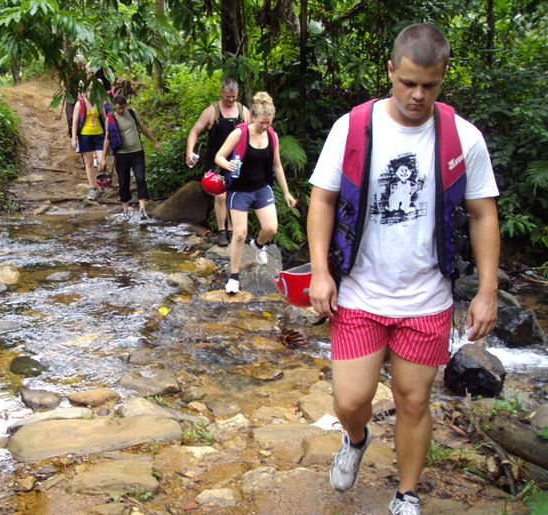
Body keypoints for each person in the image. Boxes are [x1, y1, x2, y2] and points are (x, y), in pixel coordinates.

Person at [306, 23, 500, 515]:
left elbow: (482, 213)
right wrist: (319, 272)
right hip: (360, 292)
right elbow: (322, 201)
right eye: (407, 82)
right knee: (351, 400)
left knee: (414, 400)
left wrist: (488, 290)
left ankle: (406, 494)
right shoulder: (353, 128)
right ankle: (356, 438)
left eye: (429, 86)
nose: (417, 95)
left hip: (427, 297)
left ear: (443, 78)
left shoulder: (464, 139)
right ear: (390, 71)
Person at [214, 91, 297, 294]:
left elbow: (277, 166)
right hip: (240, 190)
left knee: (271, 229)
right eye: (261, 123)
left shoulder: (272, 135)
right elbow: (219, 157)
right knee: (240, 233)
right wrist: (228, 165)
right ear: (252, 118)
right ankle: (233, 278)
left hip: (261, 188)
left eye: (268, 123)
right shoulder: (239, 133)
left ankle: (259, 245)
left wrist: (286, 193)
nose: (265, 127)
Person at [186, 78, 251, 247]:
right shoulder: (211, 111)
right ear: (221, 93)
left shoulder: (243, 111)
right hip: (216, 160)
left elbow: (251, 134)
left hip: (237, 161)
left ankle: (232, 230)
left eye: (234, 97)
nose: (231, 100)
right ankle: (222, 231)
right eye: (228, 96)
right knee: (221, 196)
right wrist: (189, 152)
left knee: (235, 195)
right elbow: (194, 132)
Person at [102, 95, 162, 221]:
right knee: (123, 182)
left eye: (123, 108)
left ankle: (142, 209)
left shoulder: (132, 113)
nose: (122, 111)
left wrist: (155, 142)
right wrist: (103, 158)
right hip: (121, 155)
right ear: (115, 106)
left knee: (140, 178)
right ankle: (125, 210)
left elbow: (143, 128)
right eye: (119, 108)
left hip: (137, 152)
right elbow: (107, 139)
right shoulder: (111, 118)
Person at [70, 83, 106, 201]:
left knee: (102, 162)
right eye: (90, 91)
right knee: (89, 163)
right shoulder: (80, 103)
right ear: (86, 92)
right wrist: (74, 138)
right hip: (85, 136)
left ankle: (99, 179)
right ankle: (92, 188)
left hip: (99, 134)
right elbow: (75, 122)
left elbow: (104, 119)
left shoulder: (98, 102)